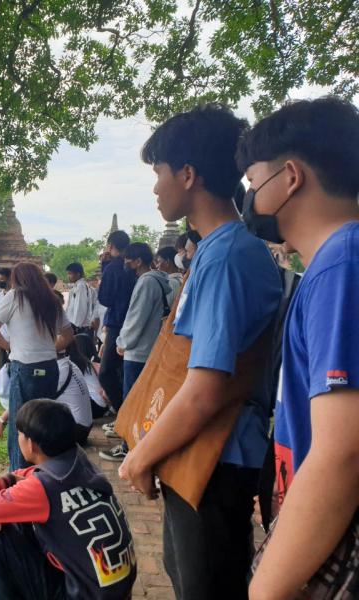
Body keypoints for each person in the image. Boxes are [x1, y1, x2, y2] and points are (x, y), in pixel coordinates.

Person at [117, 104, 282, 600]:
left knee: (206, 585)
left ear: (188, 175)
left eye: (158, 173)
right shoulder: (215, 250)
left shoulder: (227, 257)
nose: (155, 188)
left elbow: (204, 390)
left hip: (216, 460)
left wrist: (140, 457)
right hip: (201, 456)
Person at [236, 97, 359, 600]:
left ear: (290, 177)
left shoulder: (342, 265)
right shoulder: (331, 264)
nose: (249, 199)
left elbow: (343, 451)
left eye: (252, 182)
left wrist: (267, 586)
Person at [0, 399, 137, 600]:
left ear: (31, 444)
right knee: (15, 520)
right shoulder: (80, 461)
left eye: (19, 434)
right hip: (112, 592)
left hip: (78, 595)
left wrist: (7, 479)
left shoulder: (41, 488)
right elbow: (32, 473)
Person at [0, 262, 73, 471]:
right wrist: (51, 348)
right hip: (49, 367)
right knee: (44, 421)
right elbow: (69, 335)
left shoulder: (14, 297)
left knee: (21, 424)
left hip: (24, 367)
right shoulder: (51, 299)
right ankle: (46, 470)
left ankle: (19, 474)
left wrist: (10, 347)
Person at [100, 243, 171, 462]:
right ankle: (134, 443)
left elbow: (135, 317)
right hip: (147, 349)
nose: (126, 264)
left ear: (138, 261)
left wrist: (122, 342)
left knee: (133, 400)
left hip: (137, 351)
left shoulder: (147, 282)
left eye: (128, 260)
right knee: (141, 401)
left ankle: (128, 446)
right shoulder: (159, 281)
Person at [97, 230, 136, 415]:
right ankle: (126, 411)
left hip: (118, 324)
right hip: (131, 322)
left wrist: (105, 267)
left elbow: (105, 297)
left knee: (105, 372)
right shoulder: (133, 267)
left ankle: (123, 413)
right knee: (122, 372)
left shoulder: (114, 267)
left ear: (111, 246)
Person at [65, 262, 93, 334]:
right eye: (68, 274)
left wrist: (75, 326)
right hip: (76, 325)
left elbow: (80, 308)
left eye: (70, 274)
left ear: (78, 274)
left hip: (80, 327)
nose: (68, 276)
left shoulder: (81, 286)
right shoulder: (77, 286)